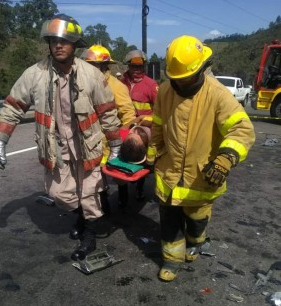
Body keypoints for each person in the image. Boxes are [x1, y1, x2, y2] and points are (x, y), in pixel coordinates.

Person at [0, 14, 122, 261]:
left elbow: (108, 111)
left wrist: (115, 144)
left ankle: (89, 235)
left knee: (90, 193)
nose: (58, 45)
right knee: (62, 195)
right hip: (55, 148)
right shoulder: (34, 74)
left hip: (87, 146)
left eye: (65, 40)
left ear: (75, 45)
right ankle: (80, 215)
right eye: (53, 40)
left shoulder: (91, 75)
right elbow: (13, 107)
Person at [146, 35, 255, 282]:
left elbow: (242, 129)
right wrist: (152, 155)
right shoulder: (164, 90)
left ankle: (196, 241)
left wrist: (225, 158)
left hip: (201, 174)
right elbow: (158, 126)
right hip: (169, 172)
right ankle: (171, 260)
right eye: (176, 80)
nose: (180, 85)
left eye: (186, 79)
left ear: (202, 69)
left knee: (196, 219)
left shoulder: (217, 94)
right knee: (169, 221)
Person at [81, 44, 138, 211]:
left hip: (110, 141)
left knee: (117, 174)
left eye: (93, 65)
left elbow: (128, 114)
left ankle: (122, 197)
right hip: (89, 141)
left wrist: (124, 137)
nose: (89, 69)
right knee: (95, 177)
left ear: (104, 66)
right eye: (88, 65)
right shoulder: (82, 84)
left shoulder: (116, 86)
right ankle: (103, 203)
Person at [121, 50, 159, 199]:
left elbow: (161, 111)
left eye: (140, 67)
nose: (136, 70)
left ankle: (140, 189)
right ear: (128, 66)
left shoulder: (151, 85)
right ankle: (122, 195)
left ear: (144, 66)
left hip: (143, 130)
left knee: (140, 158)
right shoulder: (121, 83)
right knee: (122, 157)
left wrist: (149, 120)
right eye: (133, 66)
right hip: (124, 126)